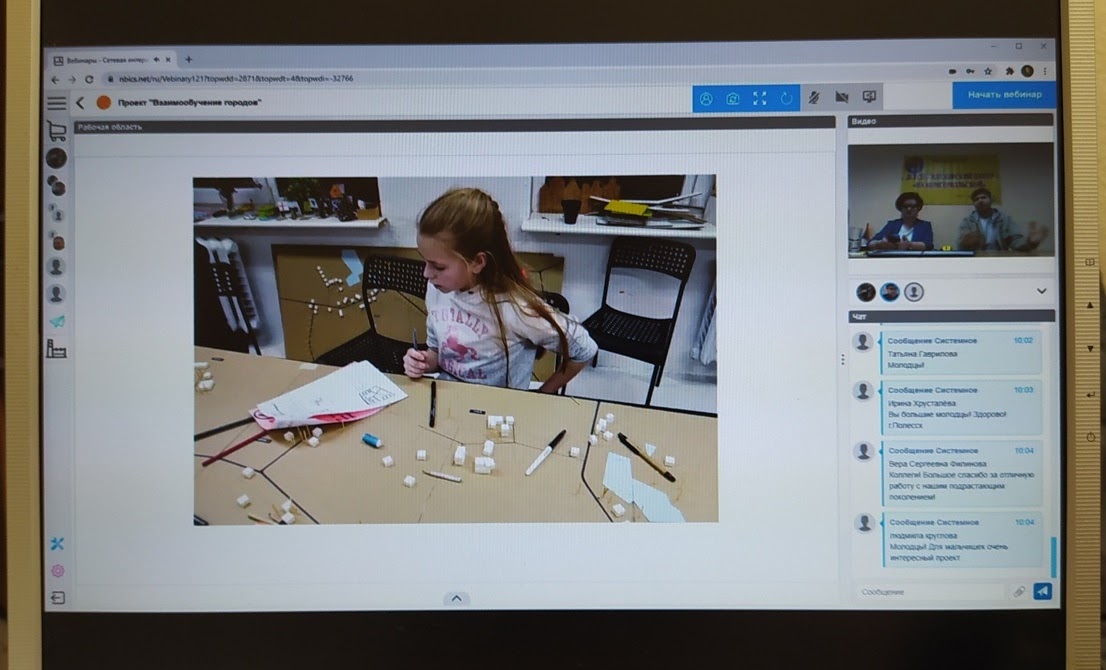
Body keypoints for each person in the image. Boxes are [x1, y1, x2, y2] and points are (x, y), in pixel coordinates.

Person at [403, 188, 598, 393]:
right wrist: (424, 362)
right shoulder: (438, 289)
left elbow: (584, 349)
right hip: (448, 398)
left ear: (477, 262)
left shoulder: (516, 308)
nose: (426, 274)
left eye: (438, 266)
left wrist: (542, 395)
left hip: (497, 407)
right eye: (425, 261)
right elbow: (438, 353)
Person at [956, 187, 1048, 252]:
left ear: (991, 200)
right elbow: (960, 246)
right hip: (977, 260)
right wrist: (965, 244)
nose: (980, 200)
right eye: (976, 199)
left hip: (1000, 260)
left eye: (983, 197)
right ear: (974, 204)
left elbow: (1015, 241)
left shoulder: (1004, 219)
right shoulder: (967, 222)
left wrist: (1030, 242)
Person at [867, 192, 934, 251]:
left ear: (918, 208)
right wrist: (880, 244)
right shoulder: (892, 224)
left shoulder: (924, 225)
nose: (909, 209)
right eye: (905, 206)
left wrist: (910, 245)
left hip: (914, 259)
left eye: (913, 206)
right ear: (900, 208)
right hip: (892, 258)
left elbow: (929, 245)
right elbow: (870, 243)